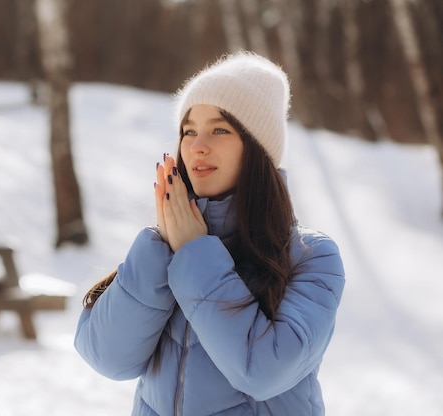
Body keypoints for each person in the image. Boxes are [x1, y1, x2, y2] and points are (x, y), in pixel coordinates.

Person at [74, 51, 345, 416]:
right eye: (189, 131)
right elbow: (107, 358)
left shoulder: (311, 256)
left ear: (258, 149)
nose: (197, 146)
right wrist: (160, 250)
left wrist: (197, 255)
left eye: (220, 129)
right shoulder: (163, 248)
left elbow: (262, 372)